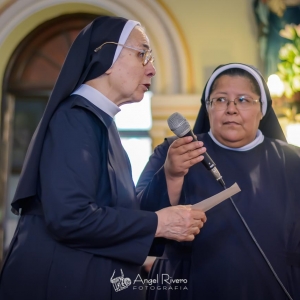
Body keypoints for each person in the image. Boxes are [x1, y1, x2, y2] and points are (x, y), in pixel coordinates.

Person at [0, 16, 207, 300]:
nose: (152, 70)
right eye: (142, 54)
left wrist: (170, 176)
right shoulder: (74, 119)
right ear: (106, 55)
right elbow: (70, 217)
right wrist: (159, 223)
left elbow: (122, 212)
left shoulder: (103, 124)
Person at [136, 63, 300, 300]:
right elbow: (139, 217)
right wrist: (171, 175)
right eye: (221, 100)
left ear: (262, 109)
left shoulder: (293, 162)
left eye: (243, 100)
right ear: (208, 107)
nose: (231, 109)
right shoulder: (173, 151)